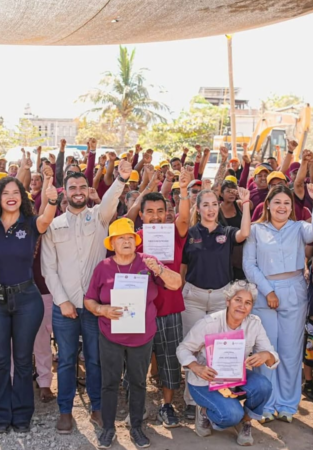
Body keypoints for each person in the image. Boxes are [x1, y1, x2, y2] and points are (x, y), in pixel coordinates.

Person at [41, 159, 132, 434]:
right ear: (64, 192)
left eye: (82, 186)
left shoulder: (100, 217)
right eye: (72, 187)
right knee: (67, 360)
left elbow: (110, 200)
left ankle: (97, 408)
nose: (78, 191)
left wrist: (121, 178)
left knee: (94, 359)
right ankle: (65, 412)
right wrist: (62, 300)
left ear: (87, 189)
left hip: (96, 308)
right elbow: (49, 268)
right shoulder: (54, 226)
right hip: (65, 308)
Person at [84, 218, 182, 448]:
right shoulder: (103, 267)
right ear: (113, 243)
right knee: (109, 382)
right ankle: (108, 428)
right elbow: (89, 299)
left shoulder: (148, 261)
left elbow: (176, 283)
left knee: (138, 382)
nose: (126, 241)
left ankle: (136, 427)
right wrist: (101, 309)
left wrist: (158, 269)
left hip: (142, 335)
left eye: (130, 237)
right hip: (111, 335)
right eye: (121, 238)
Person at [0, 176, 58, 432]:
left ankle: (22, 416)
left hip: (27, 301)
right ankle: (0, 416)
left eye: (16, 192)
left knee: (23, 360)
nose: (11, 196)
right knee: (0, 360)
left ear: (22, 198)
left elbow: (46, 219)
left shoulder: (31, 224)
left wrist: (52, 199)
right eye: (5, 192)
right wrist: (0, 280)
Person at [243, 183, 313, 422]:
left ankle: (287, 404)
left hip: (295, 290)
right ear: (268, 204)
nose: (282, 207)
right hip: (264, 290)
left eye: (287, 203)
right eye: (277, 202)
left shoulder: (299, 228)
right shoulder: (256, 230)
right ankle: (265, 405)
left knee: (290, 351)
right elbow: (249, 264)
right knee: (267, 350)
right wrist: (268, 291)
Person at [176, 281, 278, 447]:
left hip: (235, 378)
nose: (242, 306)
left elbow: (272, 356)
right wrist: (196, 366)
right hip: (204, 381)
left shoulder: (254, 324)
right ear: (228, 301)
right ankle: (204, 411)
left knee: (263, 386)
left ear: (252, 306)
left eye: (248, 302)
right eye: (238, 300)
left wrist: (265, 355)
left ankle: (245, 421)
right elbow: (183, 349)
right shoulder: (209, 323)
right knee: (229, 416)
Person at [180, 186, 251, 418]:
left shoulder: (227, 231)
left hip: (222, 298)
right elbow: (183, 266)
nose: (210, 209)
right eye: (205, 204)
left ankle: (219, 398)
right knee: (194, 348)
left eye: (213, 204)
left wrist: (247, 204)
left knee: (219, 350)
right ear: (198, 208)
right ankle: (192, 401)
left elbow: (244, 234)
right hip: (194, 297)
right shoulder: (190, 233)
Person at [133, 167, 191, 427]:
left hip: (169, 308)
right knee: (137, 360)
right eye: (150, 212)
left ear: (167, 213)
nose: (155, 217)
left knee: (169, 358)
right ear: (142, 215)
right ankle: (140, 404)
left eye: (160, 211)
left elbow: (185, 219)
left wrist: (185, 190)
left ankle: (167, 406)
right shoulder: (133, 239)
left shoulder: (174, 233)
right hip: (140, 310)